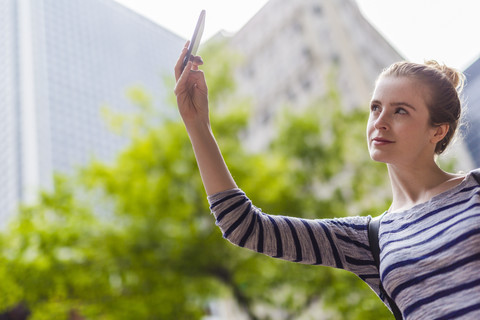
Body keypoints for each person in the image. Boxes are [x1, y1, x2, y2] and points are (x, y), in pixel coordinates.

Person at [174, 41, 480, 319]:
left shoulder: (475, 191)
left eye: (400, 111)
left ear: (437, 130)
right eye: (376, 108)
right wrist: (197, 123)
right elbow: (244, 226)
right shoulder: (368, 238)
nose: (380, 122)